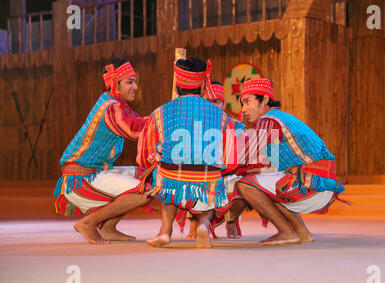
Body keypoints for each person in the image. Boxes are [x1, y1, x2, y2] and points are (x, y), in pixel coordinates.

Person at [136, 57, 237, 248]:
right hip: (207, 175)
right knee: (213, 187)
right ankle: (204, 225)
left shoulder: (160, 112)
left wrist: (156, 160)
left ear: (177, 86)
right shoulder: (222, 116)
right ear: (202, 86)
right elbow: (230, 159)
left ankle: (165, 231)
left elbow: (143, 154)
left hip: (172, 172)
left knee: (166, 183)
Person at [234, 78, 348, 246]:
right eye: (242, 104)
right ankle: (302, 233)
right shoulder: (280, 118)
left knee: (245, 185)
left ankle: (286, 232)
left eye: (247, 102)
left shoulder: (268, 120)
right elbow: (268, 164)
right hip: (320, 182)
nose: (243, 109)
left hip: (311, 184)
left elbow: (245, 160)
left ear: (264, 100)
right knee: (268, 181)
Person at [53, 57, 152, 245]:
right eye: (129, 82)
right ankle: (88, 223)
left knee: (149, 177)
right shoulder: (111, 107)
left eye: (135, 82)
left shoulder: (117, 105)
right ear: (115, 84)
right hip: (82, 178)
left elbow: (141, 125)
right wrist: (163, 117)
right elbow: (134, 129)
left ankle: (107, 228)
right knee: (145, 191)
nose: (135, 87)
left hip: (94, 173)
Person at [183, 81, 245, 239]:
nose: (212, 106)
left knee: (245, 184)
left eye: (216, 102)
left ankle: (231, 222)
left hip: (228, 173)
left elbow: (243, 158)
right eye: (208, 102)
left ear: (224, 105)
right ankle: (194, 224)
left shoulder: (238, 127)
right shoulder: (193, 126)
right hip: (201, 175)